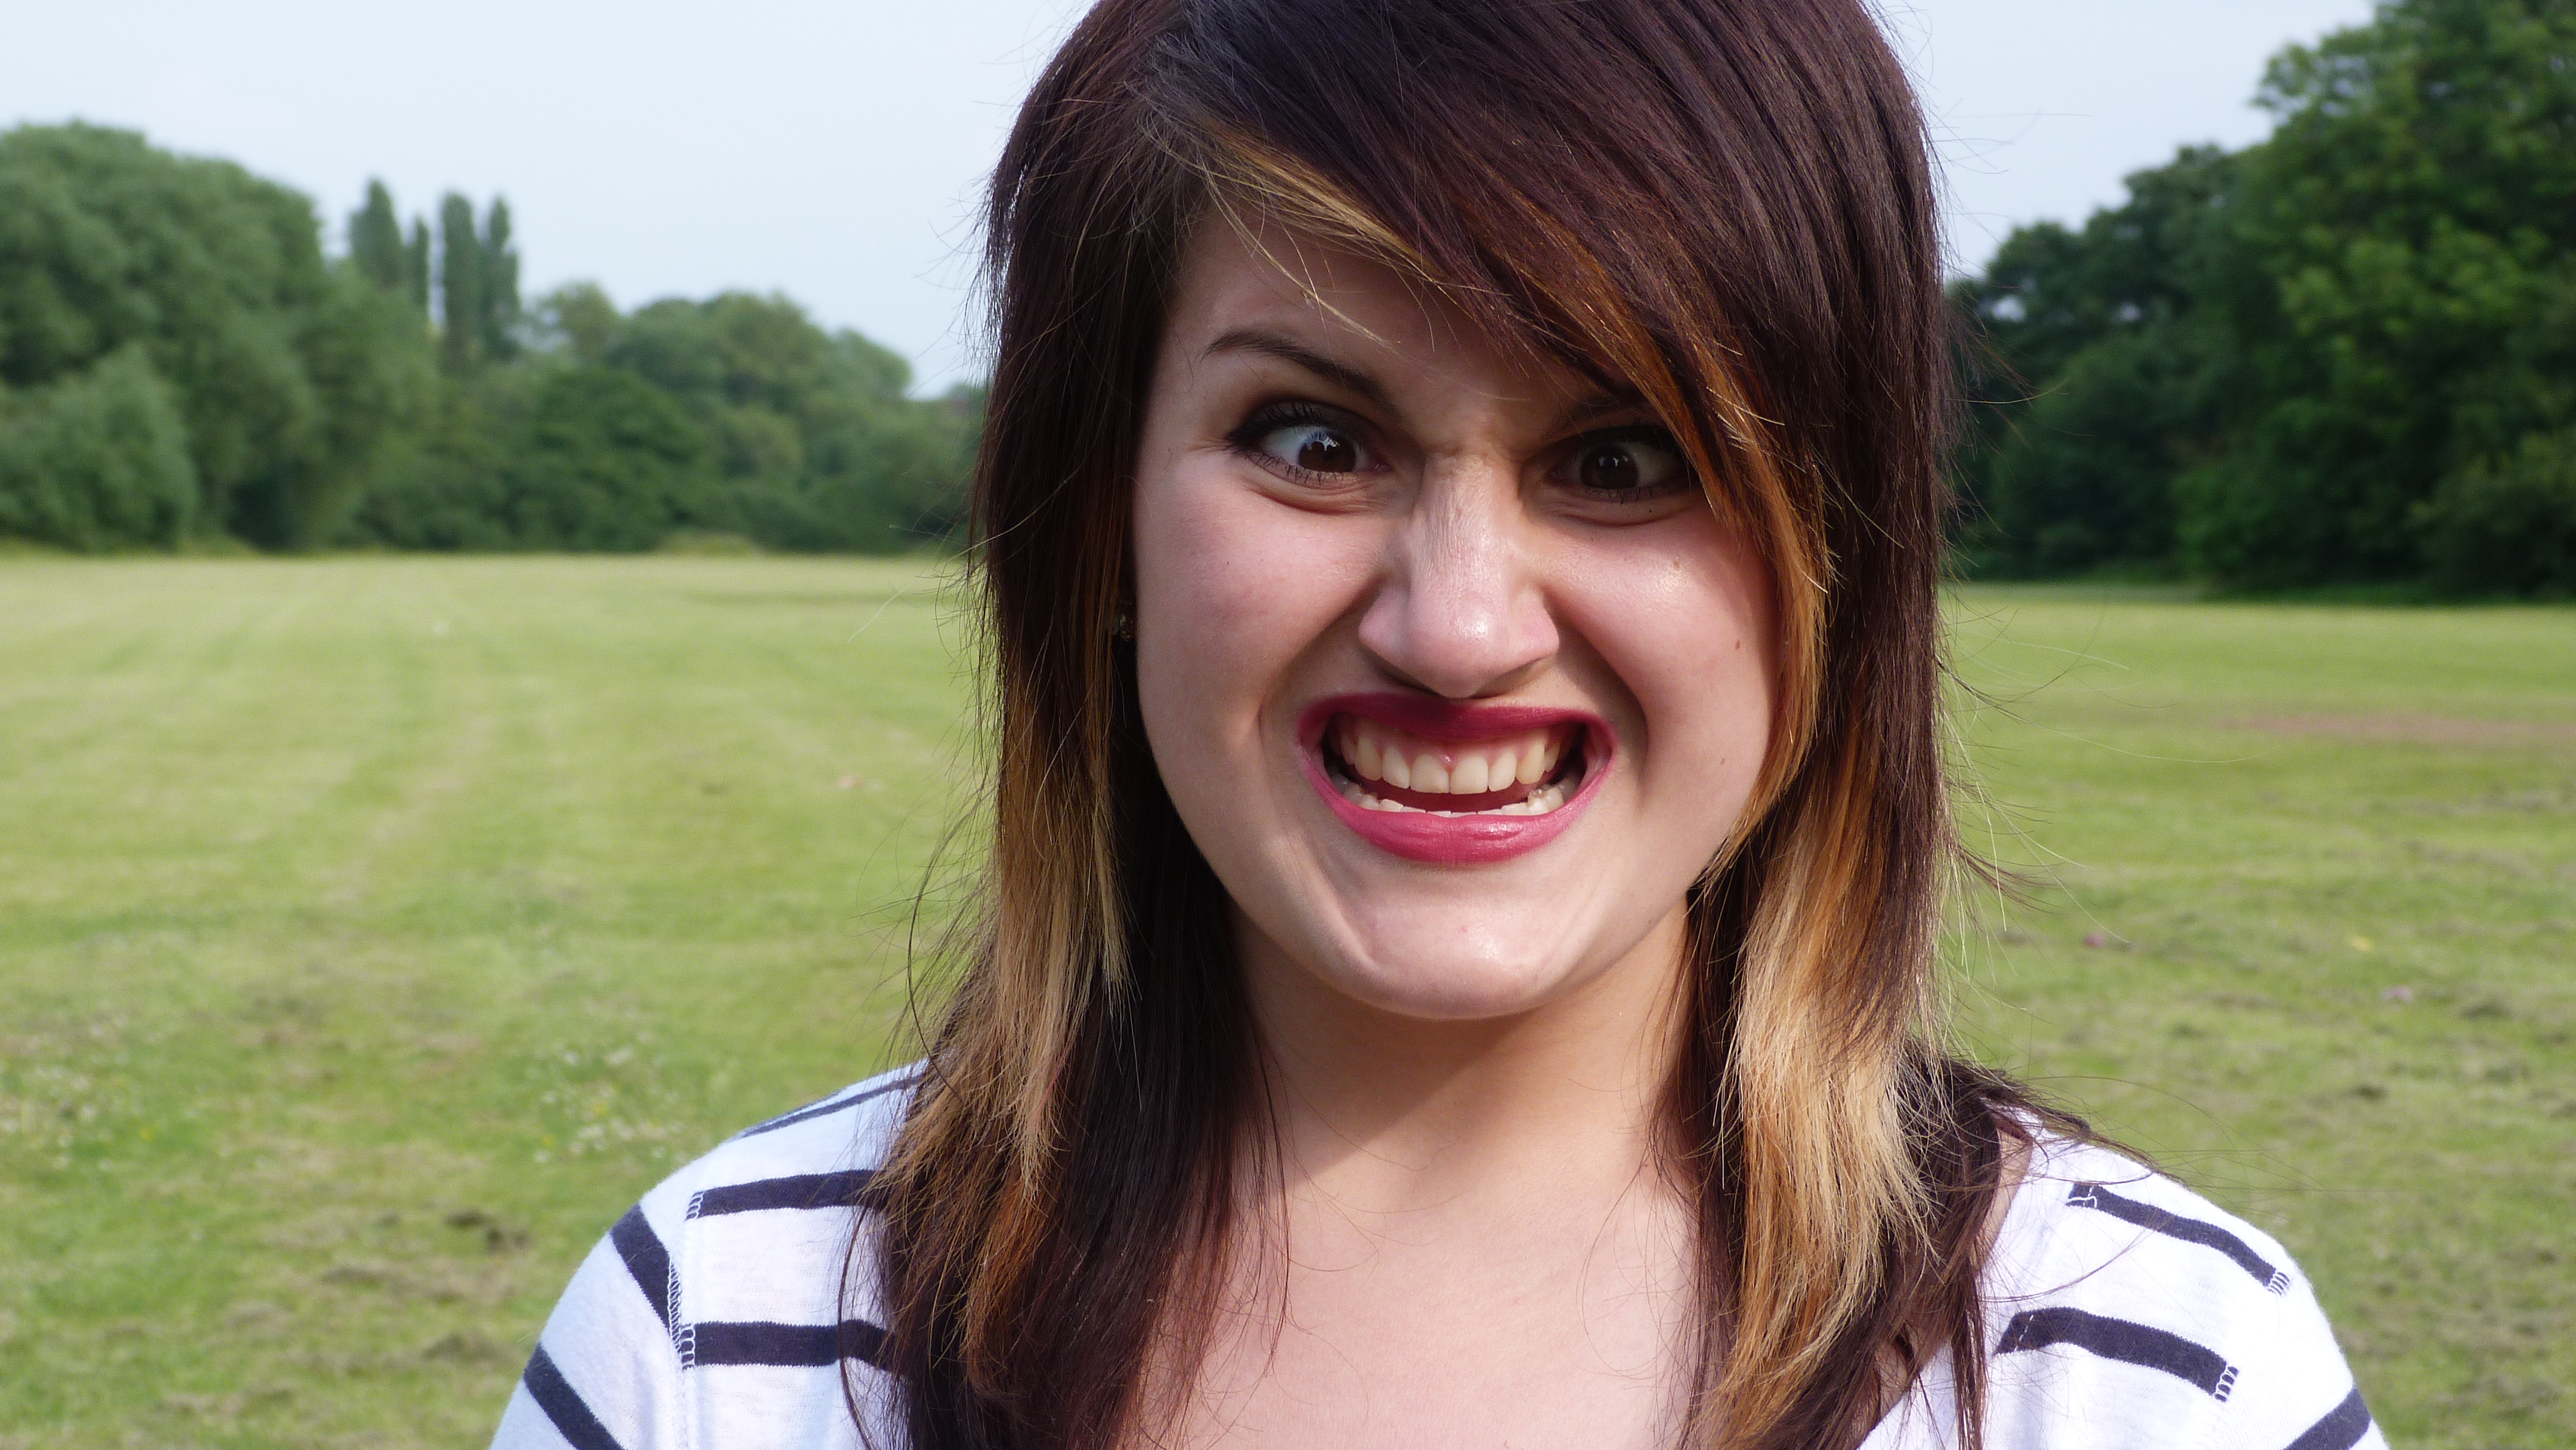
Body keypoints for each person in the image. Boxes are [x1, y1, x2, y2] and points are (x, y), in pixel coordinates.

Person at [493, 0, 2383, 1446]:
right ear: (1096, 521)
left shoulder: (2154, 1376)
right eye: (1314, 439)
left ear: (1841, 556)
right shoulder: (717, 1345)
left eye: (1627, 456)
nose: (1460, 627)